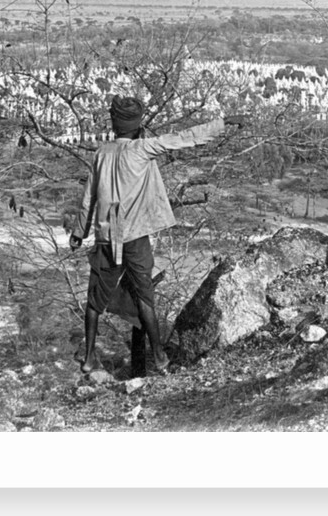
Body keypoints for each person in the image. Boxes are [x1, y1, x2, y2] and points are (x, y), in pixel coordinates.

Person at [69, 95, 245, 376]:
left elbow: (88, 196)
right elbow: (185, 137)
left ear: (114, 125)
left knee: (94, 301)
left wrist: (79, 232)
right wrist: (222, 124)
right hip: (133, 235)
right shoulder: (143, 148)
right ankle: (161, 357)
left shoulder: (101, 153)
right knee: (144, 297)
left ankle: (89, 357)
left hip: (106, 235)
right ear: (138, 126)